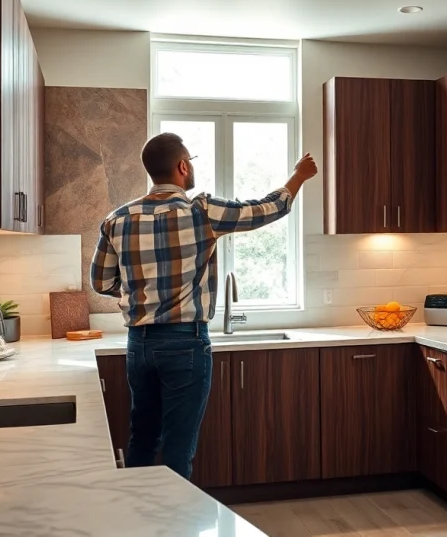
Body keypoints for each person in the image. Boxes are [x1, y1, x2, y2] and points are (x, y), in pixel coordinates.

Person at [90, 132, 317, 479]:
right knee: (178, 448)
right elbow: (270, 208)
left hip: (139, 344)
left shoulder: (117, 219)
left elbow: (102, 283)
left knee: (142, 439)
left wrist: (141, 287)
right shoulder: (202, 212)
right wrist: (298, 175)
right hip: (185, 342)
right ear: (182, 167)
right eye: (190, 161)